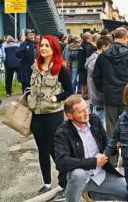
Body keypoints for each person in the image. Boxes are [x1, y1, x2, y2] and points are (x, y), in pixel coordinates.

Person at [54, 95, 127, 202]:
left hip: (100, 175)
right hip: (77, 180)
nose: (86, 113)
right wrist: (93, 162)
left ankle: (92, 195)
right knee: (79, 174)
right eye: (80, 112)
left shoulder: (94, 120)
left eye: (86, 109)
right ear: (69, 116)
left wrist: (115, 146)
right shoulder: (62, 132)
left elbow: (106, 144)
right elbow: (61, 162)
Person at [28, 35, 73, 195]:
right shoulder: (34, 67)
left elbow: (69, 90)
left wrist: (56, 98)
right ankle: (46, 183)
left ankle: (65, 183)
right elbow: (30, 86)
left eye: (47, 45)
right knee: (42, 149)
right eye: (42, 45)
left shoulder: (60, 68)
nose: (43, 48)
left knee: (55, 149)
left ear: (54, 48)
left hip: (53, 114)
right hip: (36, 114)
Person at [92, 28, 128, 147]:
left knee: (111, 130)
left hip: (109, 97)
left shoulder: (103, 56)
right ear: (125, 38)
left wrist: (104, 90)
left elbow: (96, 77)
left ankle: (112, 160)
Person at [86, 36, 112, 127]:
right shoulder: (97, 60)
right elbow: (98, 79)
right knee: (99, 123)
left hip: (95, 95)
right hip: (98, 96)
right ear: (104, 47)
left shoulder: (93, 57)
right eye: (109, 46)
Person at [77, 32, 97, 98]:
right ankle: (86, 95)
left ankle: (83, 94)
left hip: (80, 64)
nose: (91, 39)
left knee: (83, 82)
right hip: (85, 65)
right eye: (90, 38)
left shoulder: (81, 45)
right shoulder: (88, 46)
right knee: (86, 81)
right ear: (86, 38)